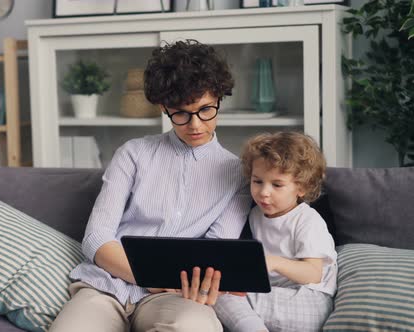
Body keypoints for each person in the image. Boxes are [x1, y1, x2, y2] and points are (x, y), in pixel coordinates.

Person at [48, 39, 252, 332]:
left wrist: (192, 284)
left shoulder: (239, 175)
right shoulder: (133, 153)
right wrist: (151, 278)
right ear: (163, 108)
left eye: (206, 109)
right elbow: (97, 238)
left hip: (176, 298)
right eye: (181, 113)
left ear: (219, 97)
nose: (195, 125)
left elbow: (216, 251)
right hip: (106, 286)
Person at [214, 131, 337, 332]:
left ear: (301, 188)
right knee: (219, 293)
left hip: (309, 301)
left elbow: (314, 274)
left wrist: (274, 262)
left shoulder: (307, 220)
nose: (264, 192)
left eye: (277, 185)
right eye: (257, 181)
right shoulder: (256, 215)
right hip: (277, 295)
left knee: (221, 296)